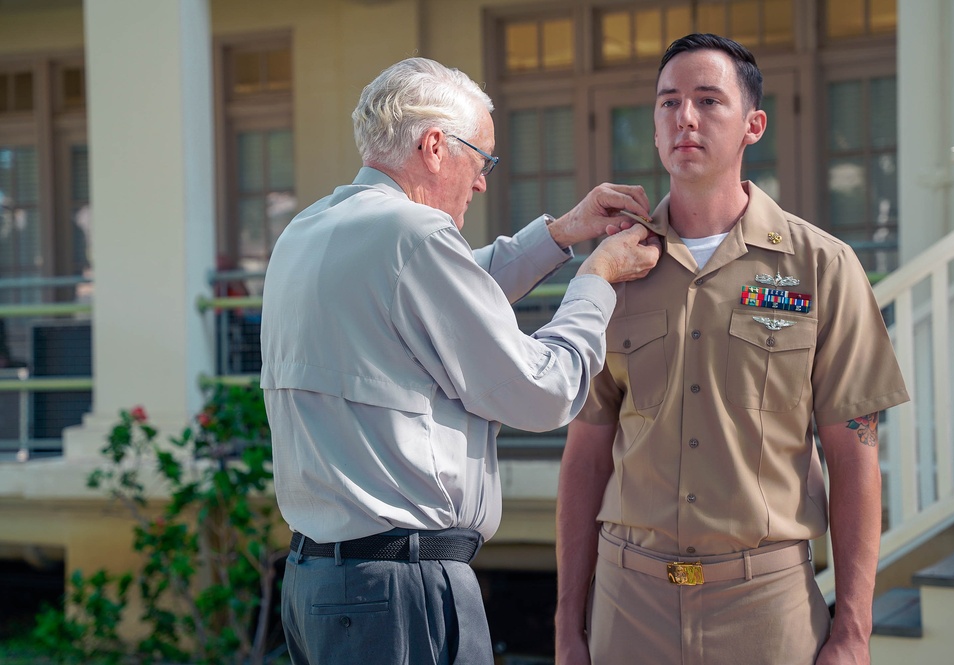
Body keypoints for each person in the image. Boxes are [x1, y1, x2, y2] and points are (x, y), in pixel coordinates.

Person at [260, 56, 662, 665]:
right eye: (482, 160)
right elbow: (541, 391)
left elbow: (445, 299)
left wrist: (561, 233)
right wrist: (596, 280)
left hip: (318, 581)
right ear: (434, 146)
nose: (480, 182)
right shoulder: (413, 235)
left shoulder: (309, 231)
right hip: (402, 590)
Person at [554, 34, 909, 665]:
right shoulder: (612, 269)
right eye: (668, 103)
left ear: (754, 125)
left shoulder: (821, 267)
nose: (684, 117)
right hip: (628, 604)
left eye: (707, 100)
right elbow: (586, 455)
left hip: (767, 609)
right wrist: (567, 624)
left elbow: (854, 455)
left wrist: (853, 632)